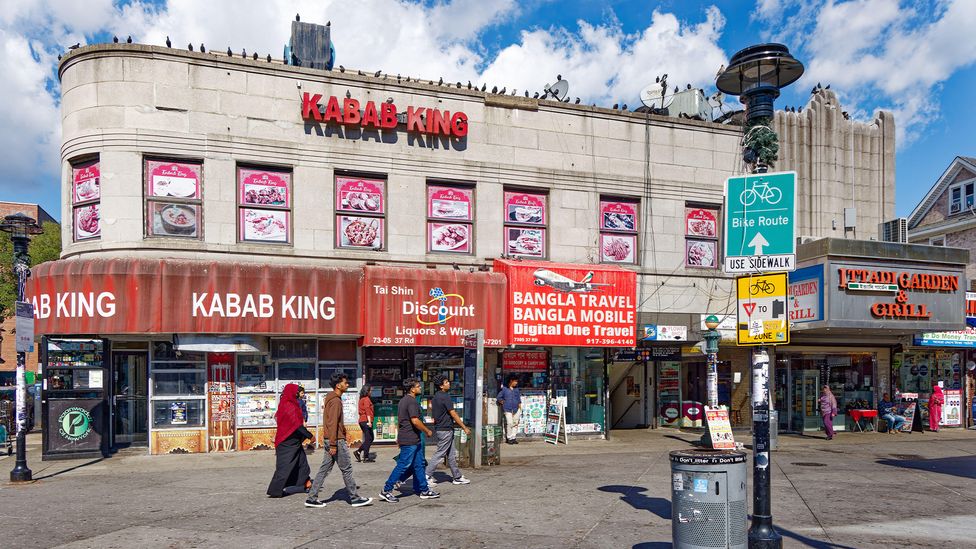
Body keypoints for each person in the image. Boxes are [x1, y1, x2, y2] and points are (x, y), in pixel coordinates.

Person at [305, 373, 373, 508]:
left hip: (331, 439)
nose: (347, 384)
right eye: (345, 383)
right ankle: (354, 498)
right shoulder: (335, 401)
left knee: (324, 469)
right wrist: (333, 444)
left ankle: (311, 498)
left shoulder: (331, 399)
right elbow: (332, 423)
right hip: (335, 440)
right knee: (346, 469)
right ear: (338, 385)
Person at [379, 378, 439, 503]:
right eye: (418, 386)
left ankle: (424, 490)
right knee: (403, 464)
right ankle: (386, 490)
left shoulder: (403, 401)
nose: (420, 387)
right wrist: (427, 430)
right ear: (412, 389)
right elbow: (415, 420)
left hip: (412, 438)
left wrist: (398, 436)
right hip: (410, 438)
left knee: (419, 465)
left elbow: (400, 420)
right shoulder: (411, 402)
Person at [266, 383, 312, 498]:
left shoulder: (290, 403)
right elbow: (296, 424)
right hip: (286, 442)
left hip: (294, 441)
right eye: (296, 392)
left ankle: (305, 483)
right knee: (284, 467)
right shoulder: (288, 405)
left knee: (302, 463)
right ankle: (275, 490)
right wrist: (309, 435)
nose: (297, 394)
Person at [425, 375, 472, 486]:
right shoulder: (445, 397)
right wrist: (464, 427)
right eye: (446, 382)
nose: (449, 383)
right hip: (445, 429)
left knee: (451, 455)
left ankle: (457, 477)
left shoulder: (435, 397)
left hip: (442, 428)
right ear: (441, 386)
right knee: (440, 453)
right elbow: (453, 413)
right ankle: (426, 476)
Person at [497, 375, 522, 444]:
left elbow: (519, 399)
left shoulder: (516, 390)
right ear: (511, 381)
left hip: (516, 409)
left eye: (517, 381)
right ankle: (509, 438)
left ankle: (513, 437)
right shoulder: (504, 389)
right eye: (515, 381)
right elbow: (499, 397)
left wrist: (520, 409)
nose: (516, 383)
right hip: (507, 409)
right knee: (509, 423)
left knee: (515, 423)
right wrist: (502, 402)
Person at [355, 384, 375, 463]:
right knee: (368, 439)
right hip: (366, 420)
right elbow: (367, 410)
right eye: (370, 391)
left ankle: (358, 452)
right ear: (367, 391)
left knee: (370, 438)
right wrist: (369, 421)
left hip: (362, 421)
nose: (371, 392)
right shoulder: (366, 399)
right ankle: (365, 457)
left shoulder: (361, 399)